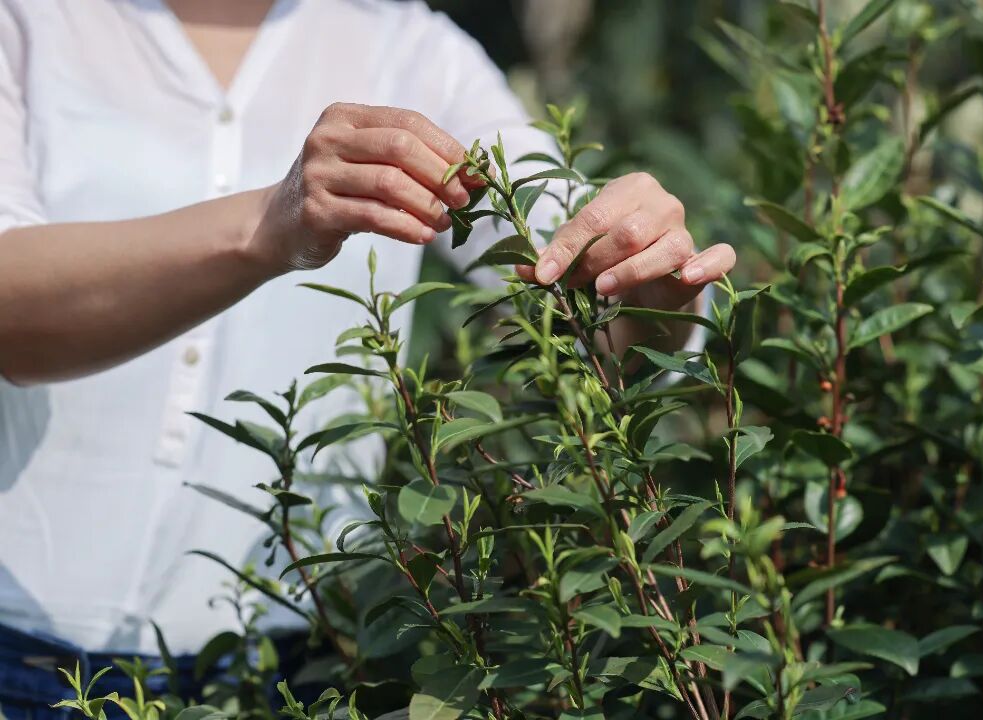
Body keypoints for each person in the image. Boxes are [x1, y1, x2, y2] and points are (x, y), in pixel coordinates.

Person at [0, 0, 736, 713]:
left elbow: (588, 312)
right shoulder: (29, 23)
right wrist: (270, 224)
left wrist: (648, 276)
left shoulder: (413, 49)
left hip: (289, 678)